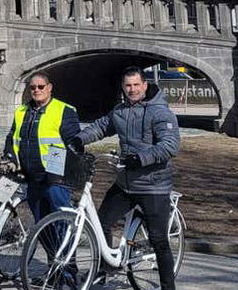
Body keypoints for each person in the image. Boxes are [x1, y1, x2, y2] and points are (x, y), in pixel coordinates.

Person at [76, 67, 180, 290]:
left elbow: (170, 146)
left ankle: (168, 286)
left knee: (158, 240)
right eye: (128, 85)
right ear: (123, 87)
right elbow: (101, 127)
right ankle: (104, 270)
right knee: (100, 224)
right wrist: (79, 139)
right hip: (125, 183)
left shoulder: (160, 112)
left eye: (136, 85)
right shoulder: (120, 111)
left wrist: (141, 159)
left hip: (153, 185)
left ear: (145, 85)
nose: (132, 90)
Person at [3, 72, 82, 267]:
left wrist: (56, 170)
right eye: (32, 87)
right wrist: (10, 158)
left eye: (40, 87)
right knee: (42, 228)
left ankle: (68, 274)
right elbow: (12, 138)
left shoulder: (63, 110)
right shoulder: (22, 111)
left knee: (62, 226)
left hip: (56, 181)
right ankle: (53, 270)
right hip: (33, 179)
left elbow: (73, 145)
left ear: (49, 88)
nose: (36, 90)